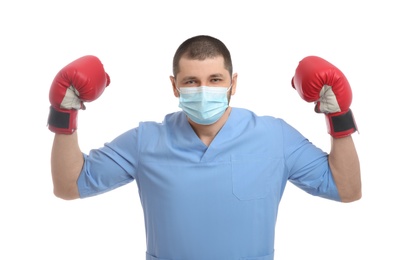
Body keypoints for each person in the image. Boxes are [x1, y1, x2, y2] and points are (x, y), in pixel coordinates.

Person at [48, 35, 361, 260]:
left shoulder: (274, 136)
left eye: (214, 79)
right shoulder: (145, 141)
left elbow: (346, 189)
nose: (203, 90)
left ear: (233, 83)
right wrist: (65, 111)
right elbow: (69, 185)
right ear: (174, 86)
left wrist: (338, 115)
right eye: (191, 81)